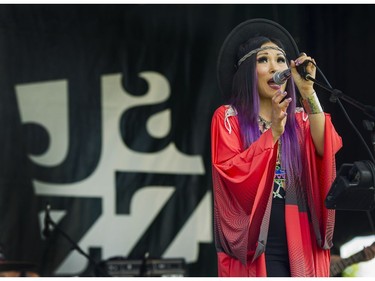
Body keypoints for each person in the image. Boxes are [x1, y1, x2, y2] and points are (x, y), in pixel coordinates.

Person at [211, 18, 343, 277]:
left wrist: (308, 93)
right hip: (254, 241)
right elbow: (231, 173)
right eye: (263, 60)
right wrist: (272, 134)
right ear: (249, 69)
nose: (275, 67)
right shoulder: (228, 118)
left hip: (301, 236)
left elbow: (325, 146)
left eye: (281, 60)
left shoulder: (299, 118)